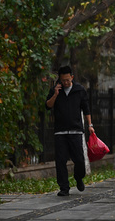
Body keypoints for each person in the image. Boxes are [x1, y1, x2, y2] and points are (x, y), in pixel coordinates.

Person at [45, 66, 94, 196]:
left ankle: (78, 177)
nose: (65, 83)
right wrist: (55, 94)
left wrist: (90, 124)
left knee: (79, 160)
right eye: (63, 80)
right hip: (60, 132)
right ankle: (64, 188)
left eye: (67, 80)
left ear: (72, 77)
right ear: (59, 80)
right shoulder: (55, 90)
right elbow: (48, 106)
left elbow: (86, 108)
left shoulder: (79, 90)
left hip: (76, 131)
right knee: (60, 161)